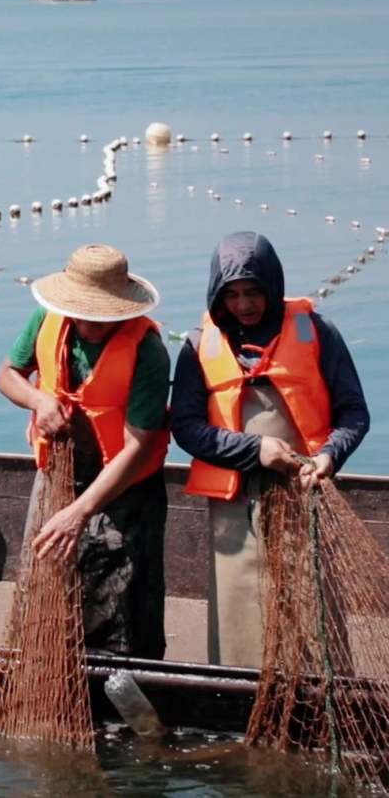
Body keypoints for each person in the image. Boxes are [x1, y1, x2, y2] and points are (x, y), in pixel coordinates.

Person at [171, 231, 369, 668]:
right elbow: (185, 427)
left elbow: (354, 412)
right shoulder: (197, 345)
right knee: (240, 615)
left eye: (254, 292)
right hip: (235, 508)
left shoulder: (316, 332)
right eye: (233, 294)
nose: (244, 304)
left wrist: (329, 455)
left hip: (304, 494)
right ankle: (246, 702)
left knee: (311, 606)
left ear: (273, 288)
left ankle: (317, 698)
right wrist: (254, 449)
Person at [0, 243, 170, 659]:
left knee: (121, 607)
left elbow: (138, 445)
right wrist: (38, 402)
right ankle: (55, 676)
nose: (91, 324)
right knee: (47, 586)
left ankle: (131, 697)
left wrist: (80, 512)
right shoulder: (46, 319)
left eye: (101, 315)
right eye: (84, 312)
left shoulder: (148, 351)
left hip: (126, 489)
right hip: (57, 475)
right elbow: (7, 375)